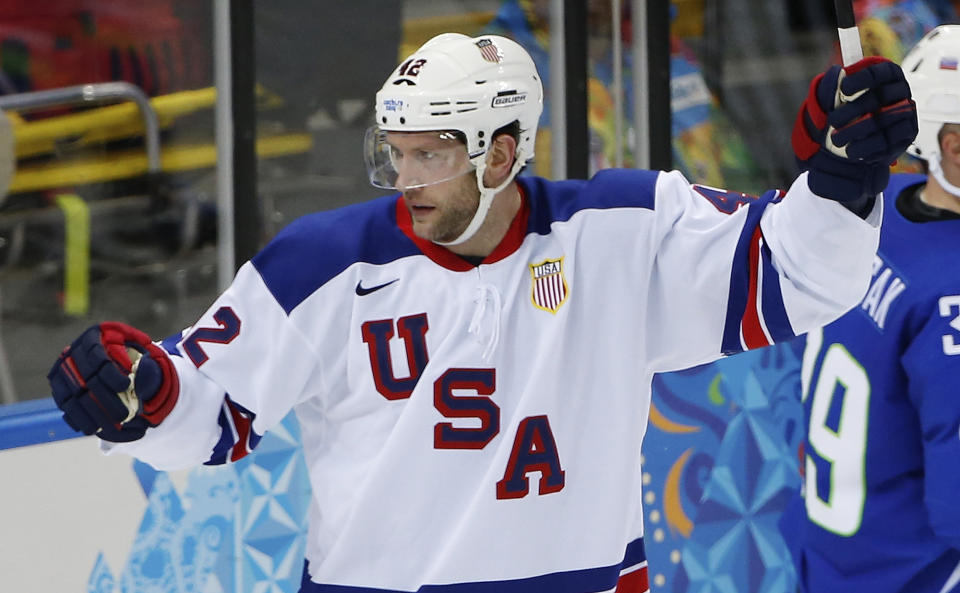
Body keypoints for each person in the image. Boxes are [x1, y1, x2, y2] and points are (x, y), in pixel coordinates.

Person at [47, 33, 915, 592]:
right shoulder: (323, 263)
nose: (404, 180)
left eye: (430, 156)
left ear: (500, 153)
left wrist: (842, 175)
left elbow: (796, 273)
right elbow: (206, 409)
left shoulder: (620, 228)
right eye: (395, 154)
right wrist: (133, 397)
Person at [779, 25, 960, 593]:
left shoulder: (868, 223)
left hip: (835, 560)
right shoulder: (951, 296)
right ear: (952, 147)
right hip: (921, 576)